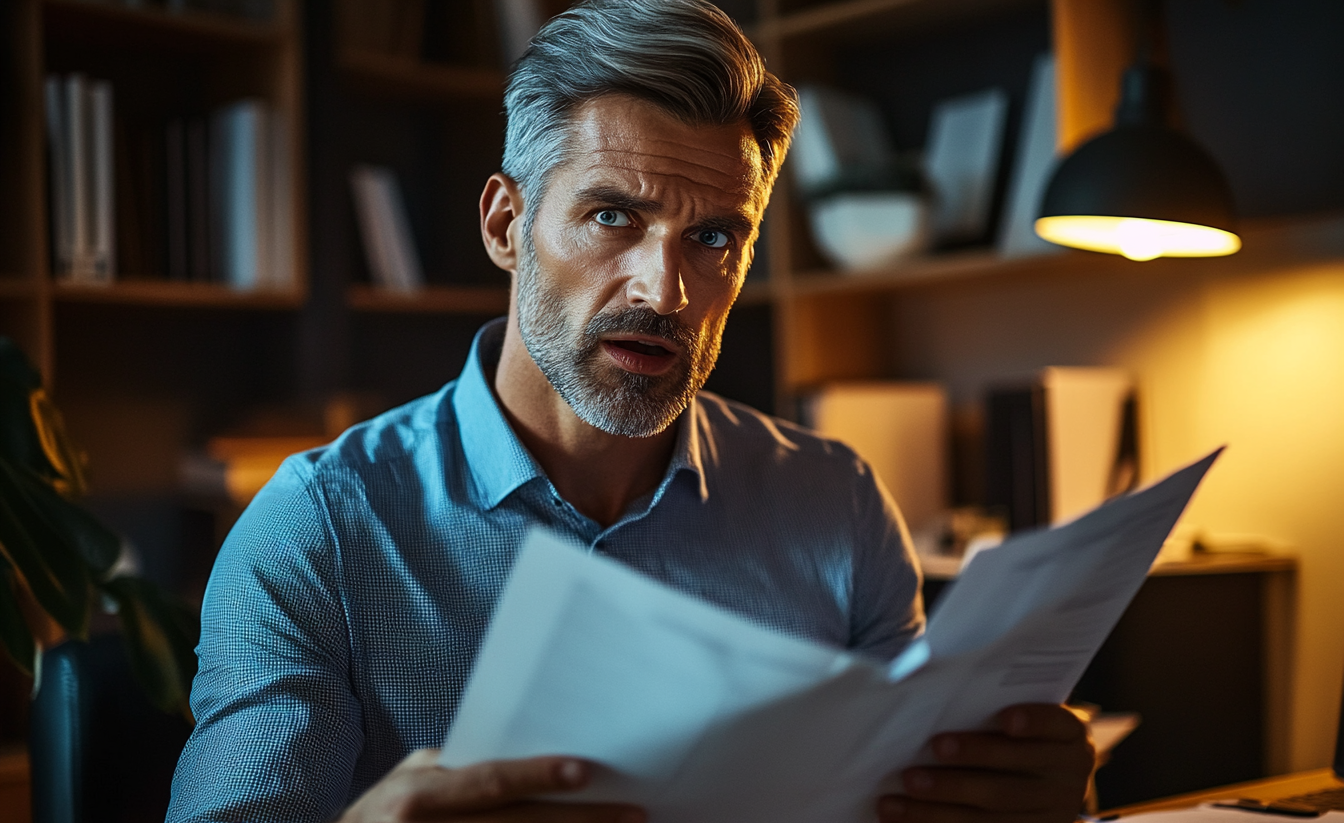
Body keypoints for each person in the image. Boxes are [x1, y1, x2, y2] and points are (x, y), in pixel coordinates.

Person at [167, 1, 1095, 821]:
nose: (666, 288)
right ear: (504, 225)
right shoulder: (319, 529)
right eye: (613, 217)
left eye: (714, 237)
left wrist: (1028, 798)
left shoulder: (839, 505)